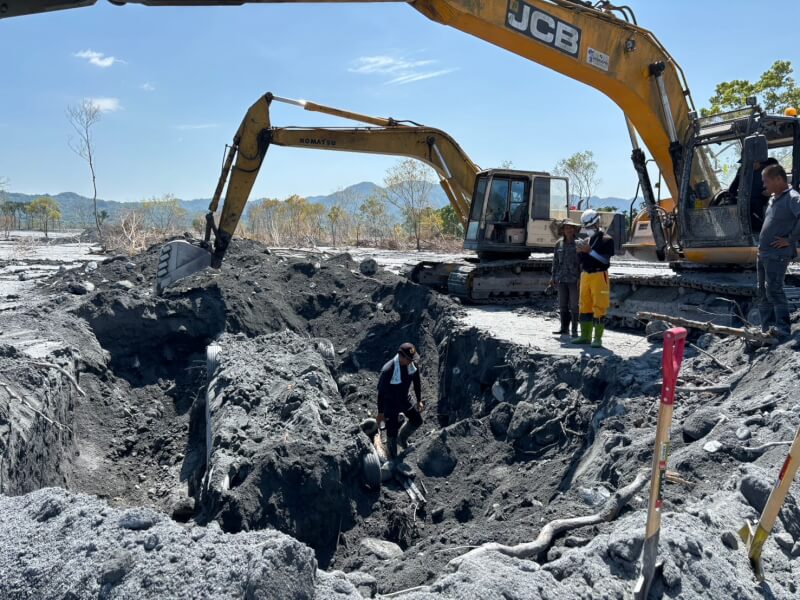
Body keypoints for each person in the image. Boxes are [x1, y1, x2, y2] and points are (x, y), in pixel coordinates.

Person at [756, 163, 800, 340]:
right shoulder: (773, 199)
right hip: (763, 253)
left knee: (774, 290)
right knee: (762, 292)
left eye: (766, 181)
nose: (764, 185)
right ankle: (766, 329)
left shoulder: (793, 197)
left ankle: (783, 330)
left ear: (778, 179)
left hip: (776, 254)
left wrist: (790, 240)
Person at [572, 208, 615, 348]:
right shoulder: (587, 240)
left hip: (599, 275)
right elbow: (581, 261)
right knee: (584, 305)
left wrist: (590, 251)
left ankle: (597, 338)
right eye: (586, 227)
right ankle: (585, 336)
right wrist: (579, 252)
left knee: (599, 306)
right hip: (586, 275)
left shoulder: (606, 240)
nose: (588, 230)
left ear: (597, 223)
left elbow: (605, 261)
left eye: (590, 226)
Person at [376, 343, 424, 458]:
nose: (411, 361)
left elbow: (416, 382)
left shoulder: (412, 366)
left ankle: (401, 439)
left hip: (404, 398)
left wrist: (419, 400)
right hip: (390, 403)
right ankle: (392, 456)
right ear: (401, 356)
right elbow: (381, 393)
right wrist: (380, 413)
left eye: (412, 359)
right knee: (392, 432)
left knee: (417, 420)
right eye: (409, 359)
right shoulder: (388, 370)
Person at [550, 219, 581, 337]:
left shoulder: (579, 243)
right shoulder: (559, 244)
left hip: (574, 279)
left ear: (574, 230)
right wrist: (553, 276)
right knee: (562, 304)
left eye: (571, 228)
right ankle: (564, 328)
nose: (569, 230)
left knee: (574, 305)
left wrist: (581, 278)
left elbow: (582, 263)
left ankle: (574, 330)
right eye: (566, 228)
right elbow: (555, 261)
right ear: (562, 230)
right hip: (561, 279)